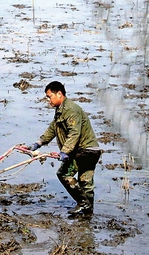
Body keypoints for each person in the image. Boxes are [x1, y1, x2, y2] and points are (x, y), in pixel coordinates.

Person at [25, 81, 101, 218]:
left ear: (59, 94)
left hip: (87, 150)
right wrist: (37, 144)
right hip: (82, 150)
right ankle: (87, 214)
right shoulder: (60, 111)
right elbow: (52, 129)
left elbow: (74, 133)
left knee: (67, 175)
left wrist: (64, 152)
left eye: (49, 96)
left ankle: (85, 206)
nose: (48, 100)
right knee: (84, 183)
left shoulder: (71, 110)